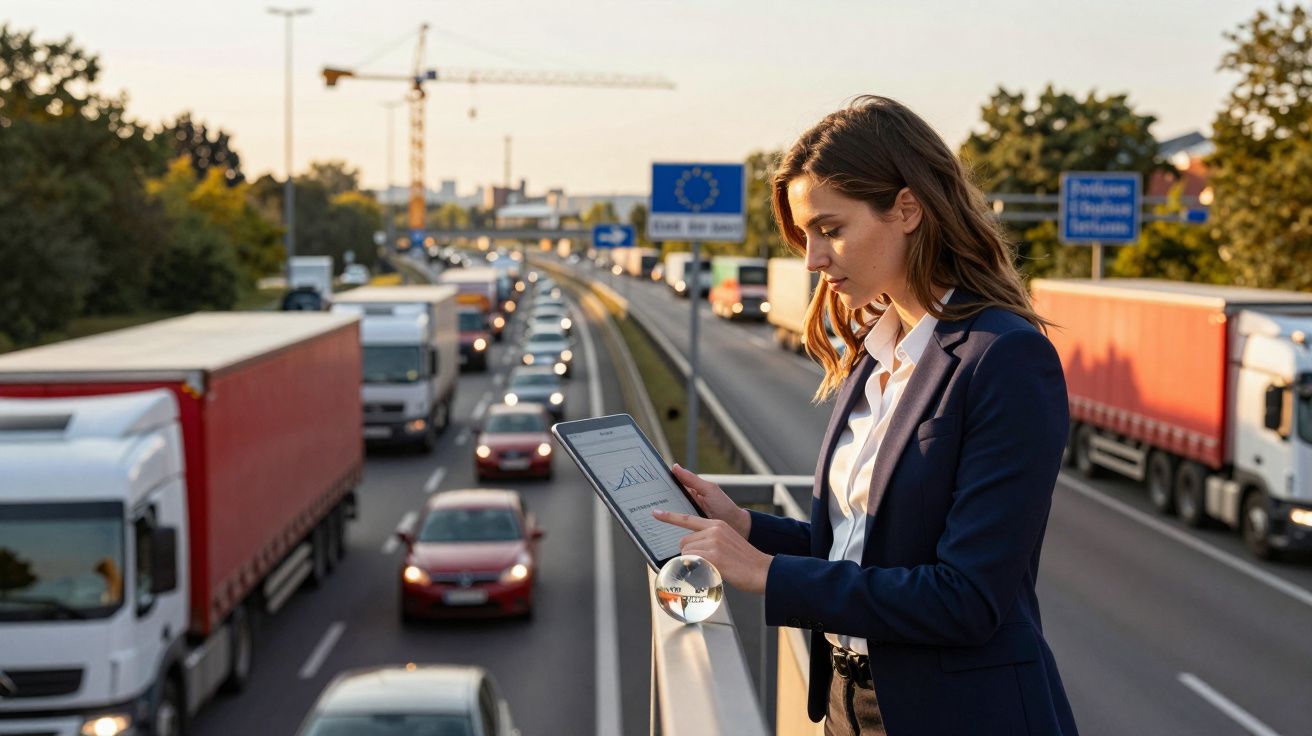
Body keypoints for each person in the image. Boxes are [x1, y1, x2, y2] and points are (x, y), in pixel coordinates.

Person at [654, 96, 1078, 735]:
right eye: (804, 236)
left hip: (960, 716)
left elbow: (967, 599)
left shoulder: (1006, 359)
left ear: (906, 209)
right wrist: (744, 526)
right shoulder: (876, 352)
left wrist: (768, 576)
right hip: (847, 706)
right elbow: (863, 554)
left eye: (830, 228)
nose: (812, 260)